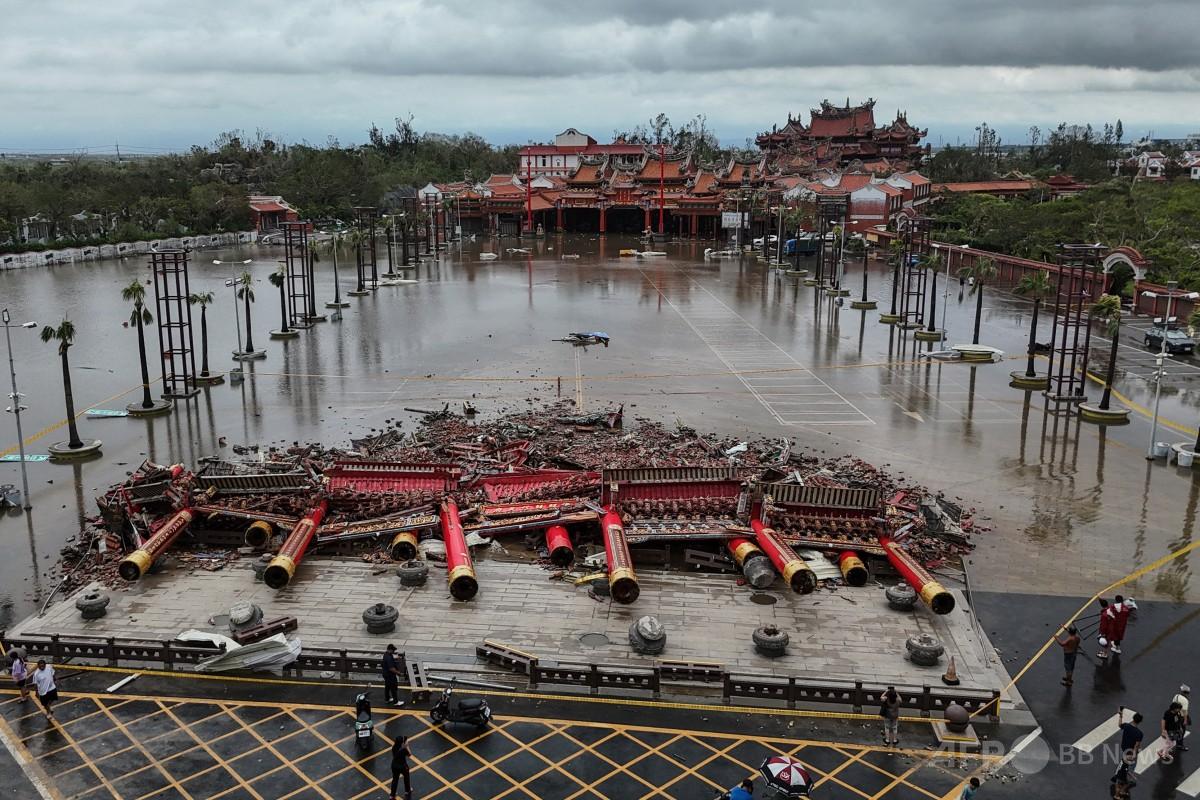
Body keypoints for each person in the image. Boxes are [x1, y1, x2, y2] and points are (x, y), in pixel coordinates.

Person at [389, 734, 412, 800]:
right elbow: (410, 754)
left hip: (394, 766)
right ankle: (407, 790)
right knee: (406, 777)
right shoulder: (403, 750)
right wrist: (407, 746)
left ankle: (392, 795)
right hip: (402, 766)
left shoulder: (394, 748)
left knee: (395, 780)